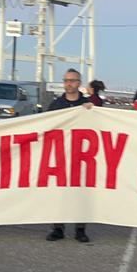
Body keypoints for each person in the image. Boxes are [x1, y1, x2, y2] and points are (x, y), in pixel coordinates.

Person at [46, 69, 92, 243]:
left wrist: (90, 111)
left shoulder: (87, 105)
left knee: (81, 194)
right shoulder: (56, 105)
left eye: (72, 81)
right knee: (59, 193)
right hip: (60, 155)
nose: (69, 84)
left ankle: (80, 229)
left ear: (79, 83)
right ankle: (58, 228)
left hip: (82, 157)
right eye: (66, 80)